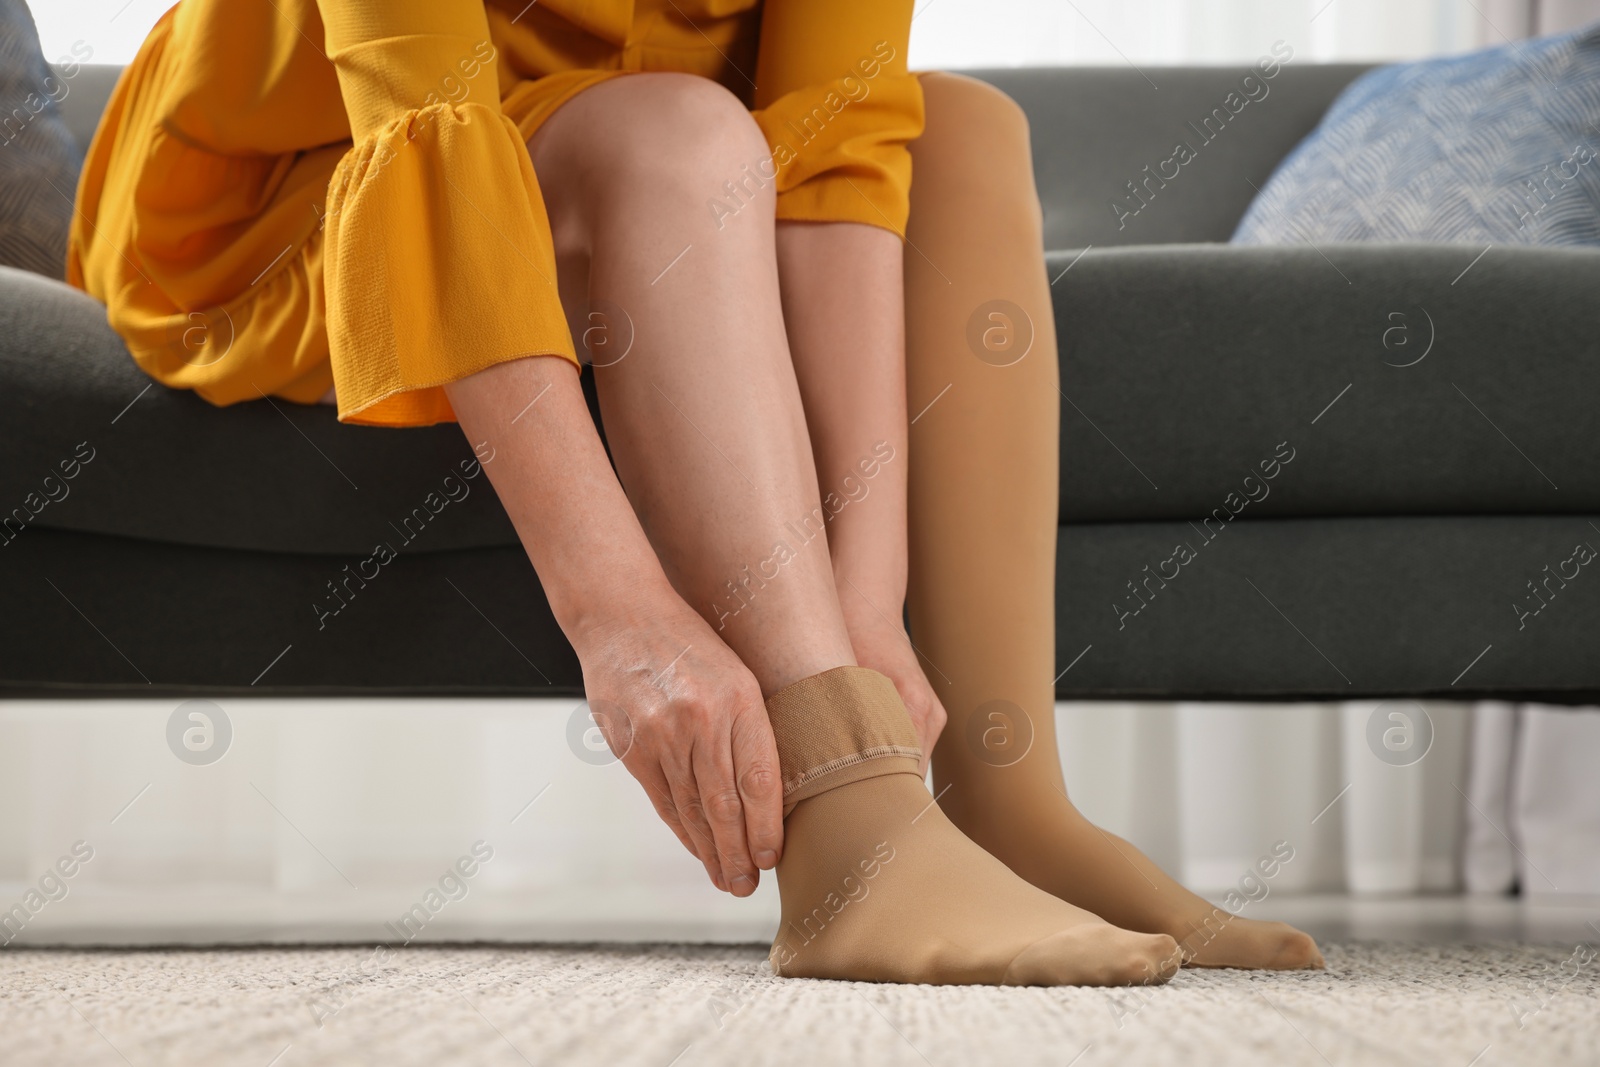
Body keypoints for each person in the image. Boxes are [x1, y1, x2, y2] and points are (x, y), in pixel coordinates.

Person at [70, 0, 1322, 985]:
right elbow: (430, 141)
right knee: (679, 129)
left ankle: (1007, 801)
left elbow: (838, 157)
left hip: (642, 145)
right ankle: (850, 831)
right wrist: (616, 610)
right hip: (300, 184)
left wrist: (866, 603)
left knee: (959, 134)